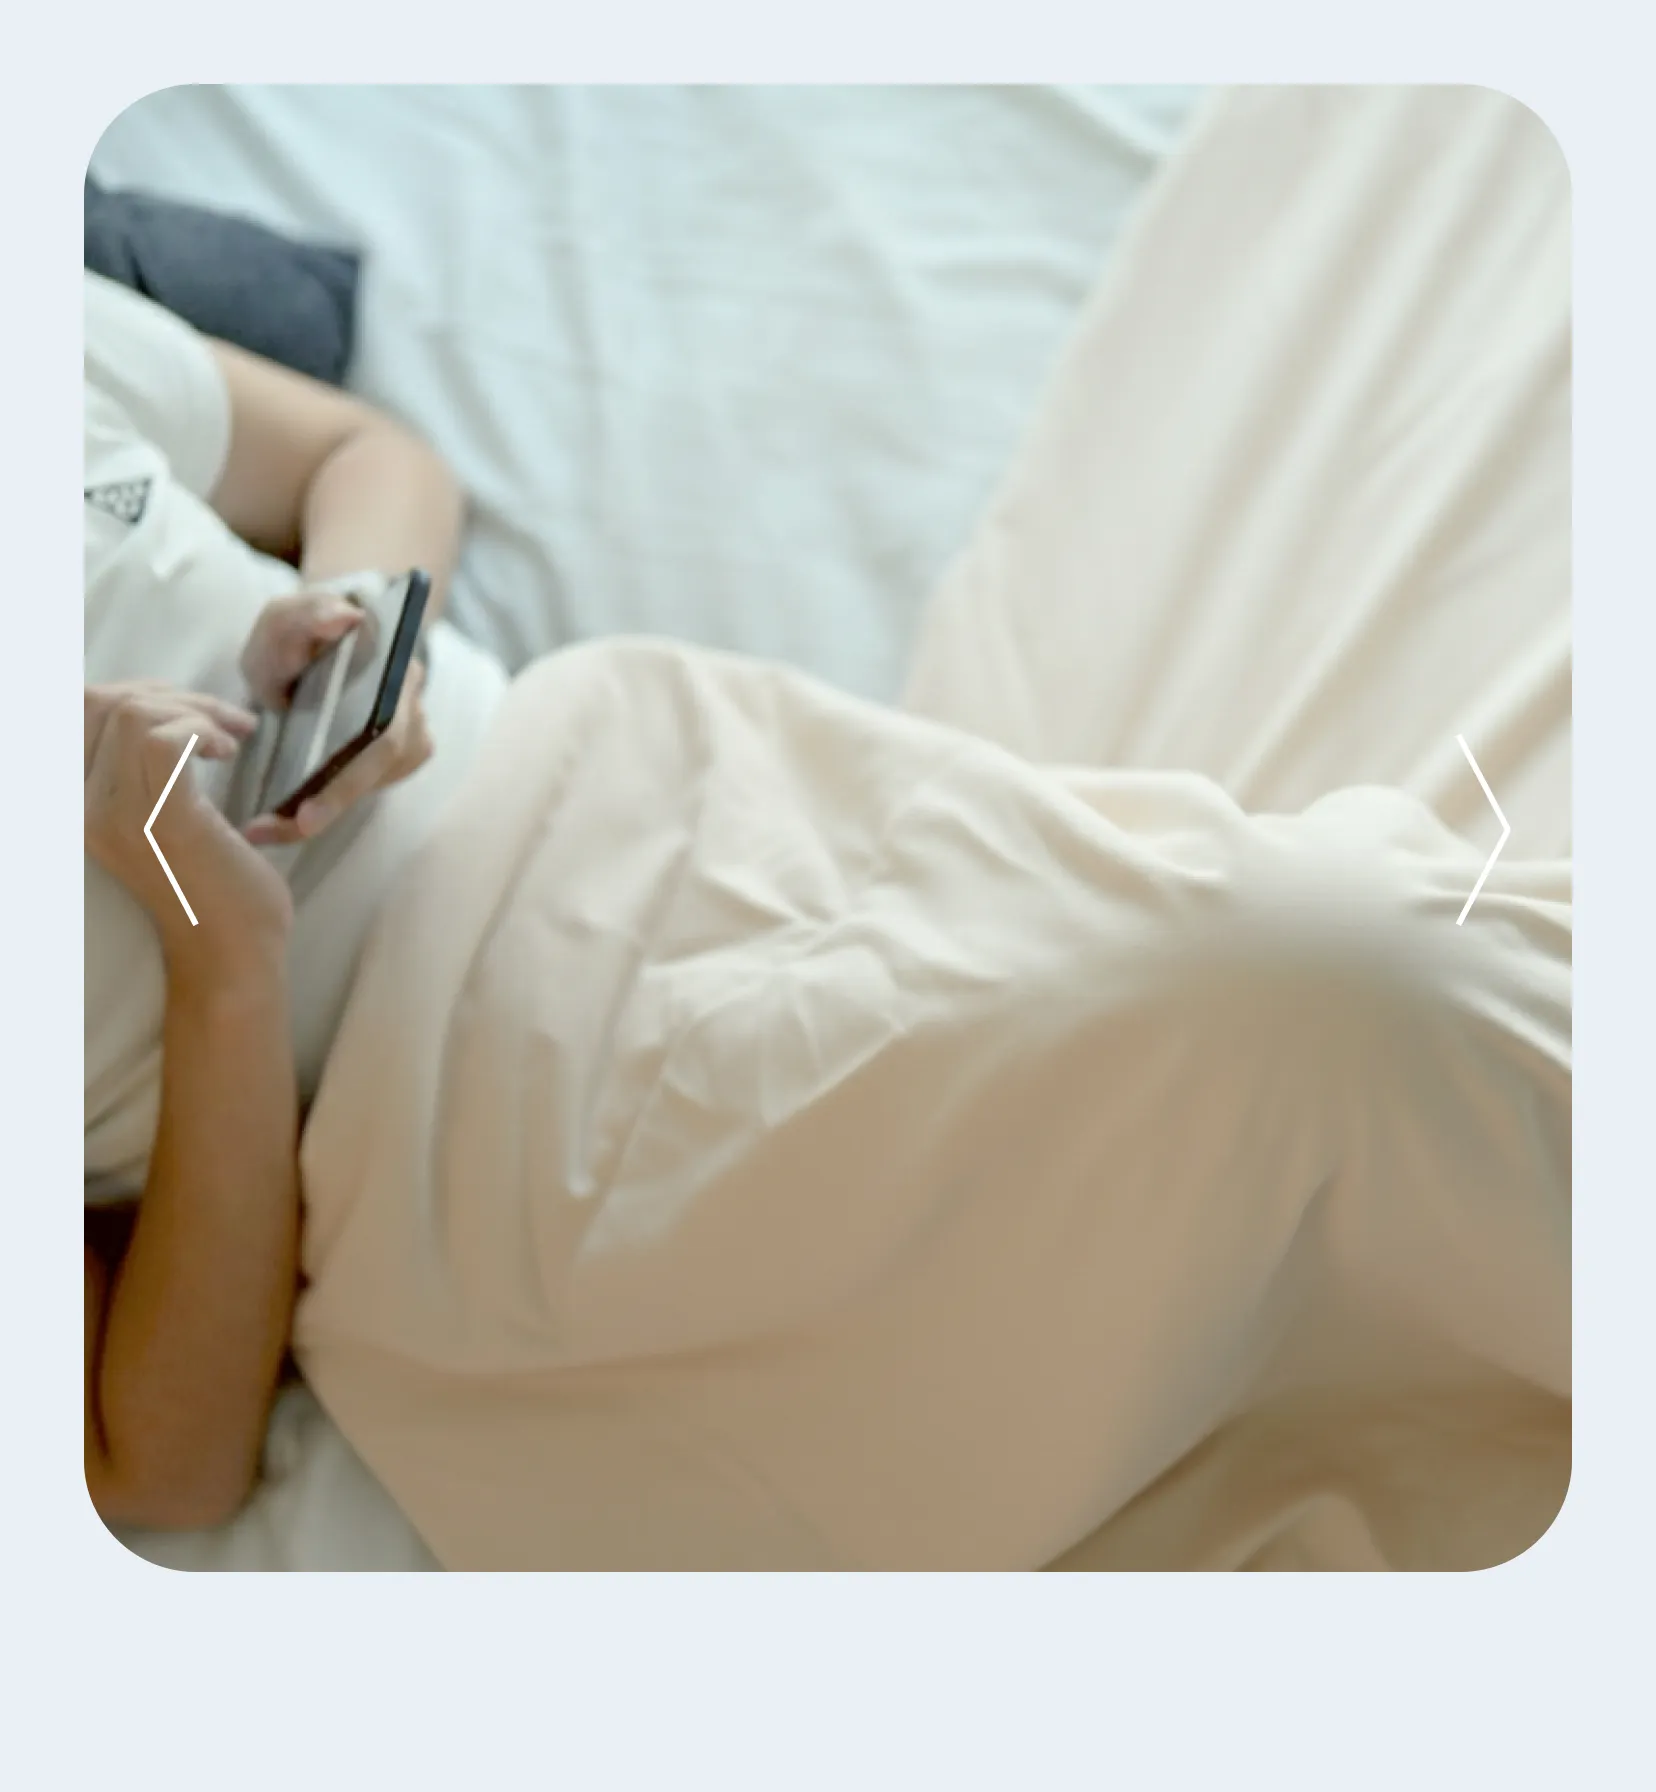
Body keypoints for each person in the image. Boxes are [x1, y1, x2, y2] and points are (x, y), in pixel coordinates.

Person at [82, 271, 506, 1530]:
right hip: (467, 1108)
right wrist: (223, 964)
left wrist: (359, 628)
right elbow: (164, 1464)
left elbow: (361, 451)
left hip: (609, 758)